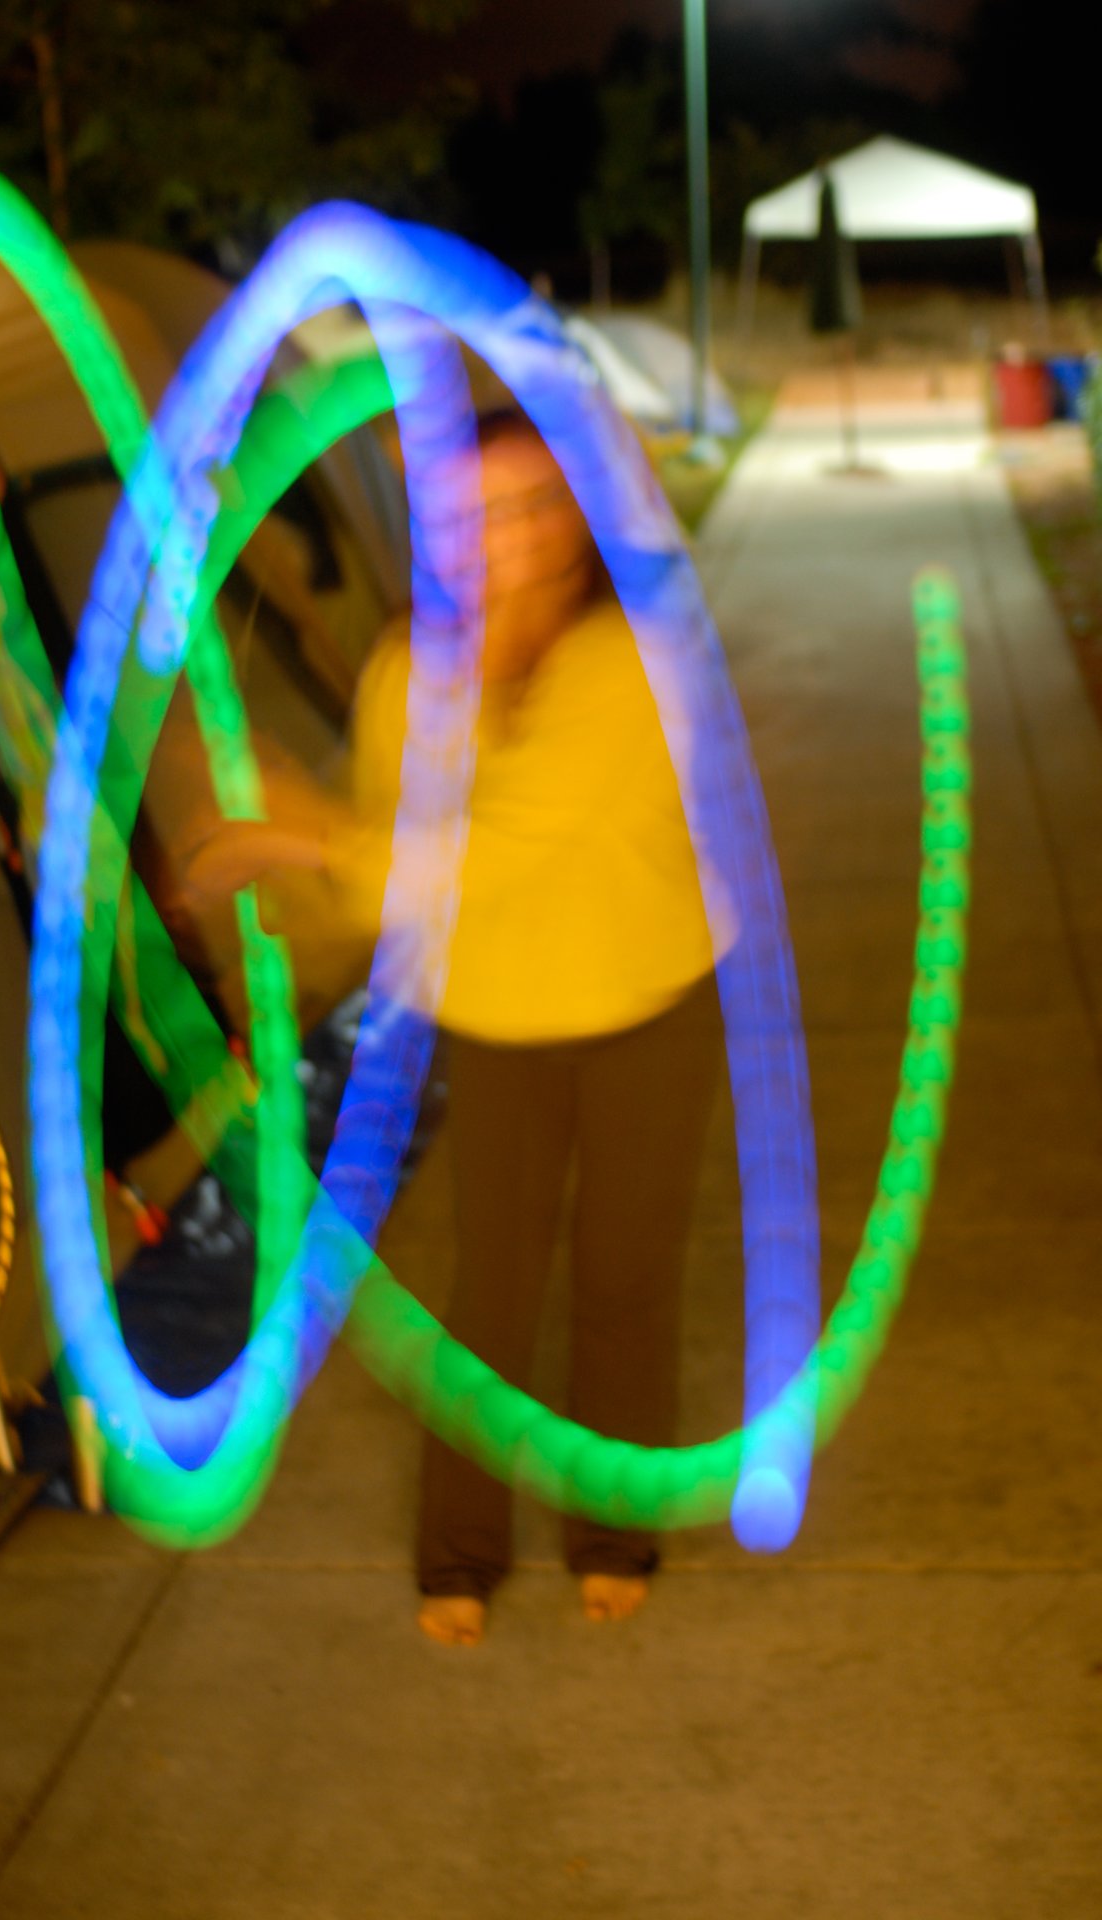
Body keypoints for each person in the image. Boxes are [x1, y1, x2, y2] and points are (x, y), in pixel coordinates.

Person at [345, 412, 727, 1645]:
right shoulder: (403, 676)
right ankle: (458, 1554)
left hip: (645, 1003)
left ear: (576, 526)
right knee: (490, 1294)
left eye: (529, 506)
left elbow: (490, 846)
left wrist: (291, 839)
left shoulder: (633, 660)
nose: (500, 536)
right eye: (471, 512)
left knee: (622, 1282)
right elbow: (390, 871)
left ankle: (609, 1533)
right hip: (502, 1016)